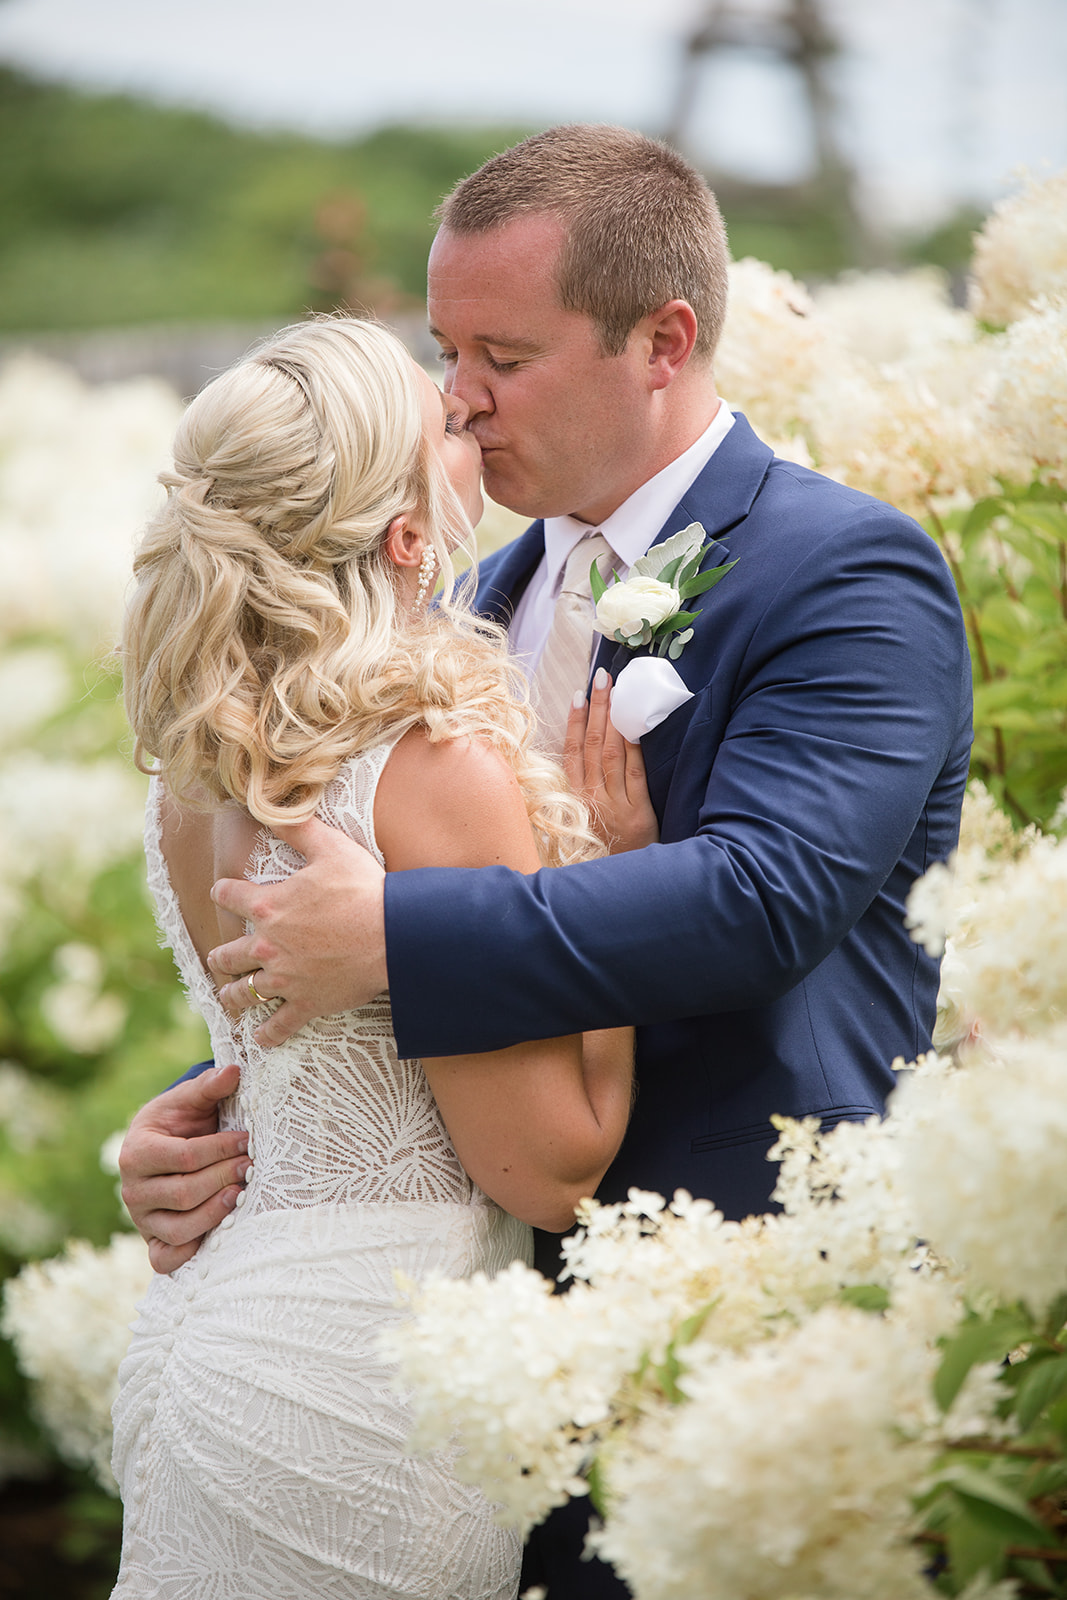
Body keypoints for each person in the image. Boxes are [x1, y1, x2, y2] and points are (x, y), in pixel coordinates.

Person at [119, 126, 973, 1599]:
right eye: (445, 349)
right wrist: (225, 1137)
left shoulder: (841, 571)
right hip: (457, 1349)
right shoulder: (448, 597)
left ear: (663, 340)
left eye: (499, 355)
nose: (455, 394)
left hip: (735, 1305)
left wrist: (392, 939)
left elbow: (763, 895)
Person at [110, 315, 635, 1599]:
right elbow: (550, 1169)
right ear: (410, 536)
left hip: (209, 1337)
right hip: (365, 1384)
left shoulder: (195, 779)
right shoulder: (432, 766)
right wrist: (617, 894)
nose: (474, 411)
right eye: (449, 425)